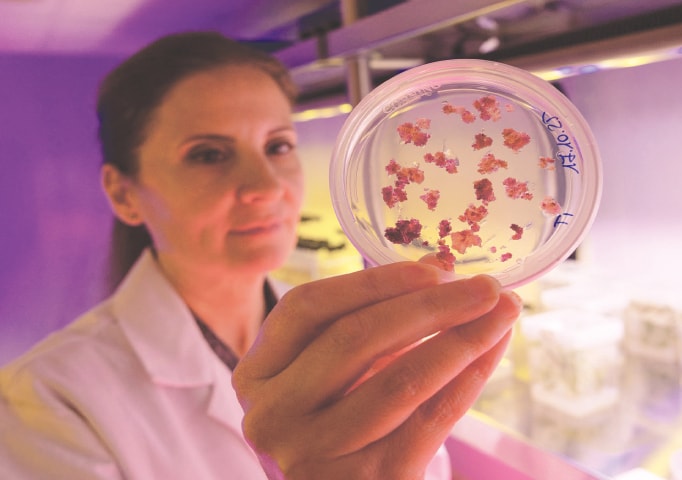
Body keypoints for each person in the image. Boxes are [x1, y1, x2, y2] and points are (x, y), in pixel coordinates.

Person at [0, 31, 522, 479]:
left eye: (278, 146)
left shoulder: (355, 338)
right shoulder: (49, 398)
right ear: (124, 194)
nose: (266, 187)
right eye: (208, 154)